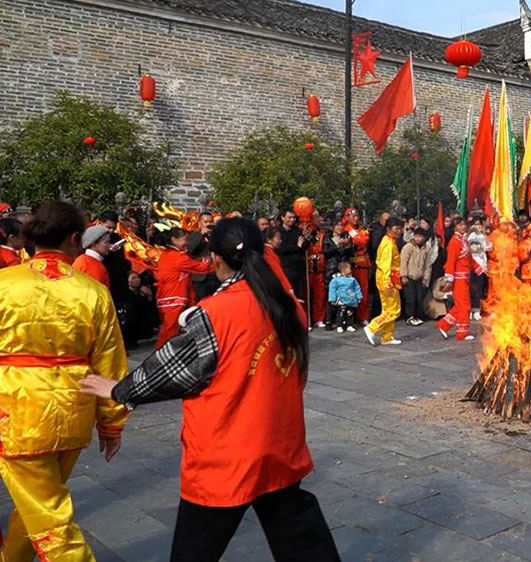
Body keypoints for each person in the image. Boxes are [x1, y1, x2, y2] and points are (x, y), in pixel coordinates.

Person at [80, 217, 340, 562]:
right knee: (301, 540)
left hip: (226, 451)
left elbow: (171, 370)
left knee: (197, 546)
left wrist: (122, 389)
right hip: (279, 442)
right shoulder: (287, 304)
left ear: (216, 259)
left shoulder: (216, 313)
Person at [0, 201, 129, 561]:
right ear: (74, 238)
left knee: (49, 514)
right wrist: (111, 424)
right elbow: (111, 364)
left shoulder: (5, 284)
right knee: (38, 505)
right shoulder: (92, 291)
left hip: (17, 413)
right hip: (73, 411)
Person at [155, 227, 214, 348]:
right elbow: (202, 267)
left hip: (168, 295)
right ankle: (164, 355)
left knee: (169, 328)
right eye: (184, 240)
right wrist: (210, 258)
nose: (186, 243)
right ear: (174, 240)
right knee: (171, 330)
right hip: (174, 296)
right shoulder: (178, 258)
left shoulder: (168, 255)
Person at [437, 220, 480, 341]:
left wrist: (479, 268)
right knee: (464, 305)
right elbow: (450, 261)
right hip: (458, 279)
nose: (463, 227)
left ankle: (444, 324)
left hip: (465, 278)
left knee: (461, 305)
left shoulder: (463, 240)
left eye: (464, 225)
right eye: (460, 225)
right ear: (455, 227)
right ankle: (462, 332)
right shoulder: (454, 242)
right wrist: (449, 279)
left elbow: (469, 259)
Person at [364, 217, 403, 346]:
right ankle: (372, 327)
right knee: (393, 309)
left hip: (390, 277)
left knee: (389, 307)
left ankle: (387, 336)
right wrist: (387, 283)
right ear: (388, 229)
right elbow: (385, 265)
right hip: (388, 278)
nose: (399, 231)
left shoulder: (389, 241)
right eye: (396, 229)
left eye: (400, 228)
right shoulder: (387, 244)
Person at [342, 208, 372, 323]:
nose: (355, 218)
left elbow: (363, 241)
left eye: (356, 216)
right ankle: (349, 318)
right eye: (352, 216)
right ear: (347, 217)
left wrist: (354, 238)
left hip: (361, 264)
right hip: (348, 263)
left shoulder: (362, 229)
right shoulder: (344, 229)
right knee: (348, 291)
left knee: (363, 291)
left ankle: (363, 316)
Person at [399, 228, 431, 326]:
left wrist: (426, 277)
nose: (418, 239)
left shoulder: (425, 248)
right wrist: (403, 275)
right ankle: (409, 316)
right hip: (409, 276)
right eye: (416, 236)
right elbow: (403, 261)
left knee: (419, 298)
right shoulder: (408, 247)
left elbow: (427, 265)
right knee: (410, 298)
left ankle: (417, 315)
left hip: (419, 277)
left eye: (420, 237)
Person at [276, 209, 308, 302]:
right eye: (289, 217)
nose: (292, 220)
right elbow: (281, 249)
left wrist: (306, 239)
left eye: (294, 217)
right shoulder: (278, 232)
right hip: (285, 267)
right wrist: (297, 247)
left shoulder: (297, 231)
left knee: (300, 297)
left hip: (298, 268)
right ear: (283, 218)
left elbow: (303, 247)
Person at [188, 211, 220, 302]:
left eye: (210, 222)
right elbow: (190, 249)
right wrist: (201, 234)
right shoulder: (194, 235)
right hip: (201, 278)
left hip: (216, 275)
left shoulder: (216, 236)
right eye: (205, 222)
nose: (208, 224)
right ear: (199, 223)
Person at [327, 261, 361, 333]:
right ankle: (340, 325)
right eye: (349, 268)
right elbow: (332, 289)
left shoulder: (352, 279)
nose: (351, 270)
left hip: (351, 298)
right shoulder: (336, 279)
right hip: (341, 299)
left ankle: (349, 325)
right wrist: (332, 299)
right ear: (344, 270)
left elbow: (357, 288)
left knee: (350, 312)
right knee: (341, 313)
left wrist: (359, 297)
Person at [263, 226, 293, 293]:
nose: (280, 241)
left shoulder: (266, 251)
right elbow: (278, 271)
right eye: (278, 238)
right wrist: (288, 288)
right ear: (269, 240)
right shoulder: (268, 253)